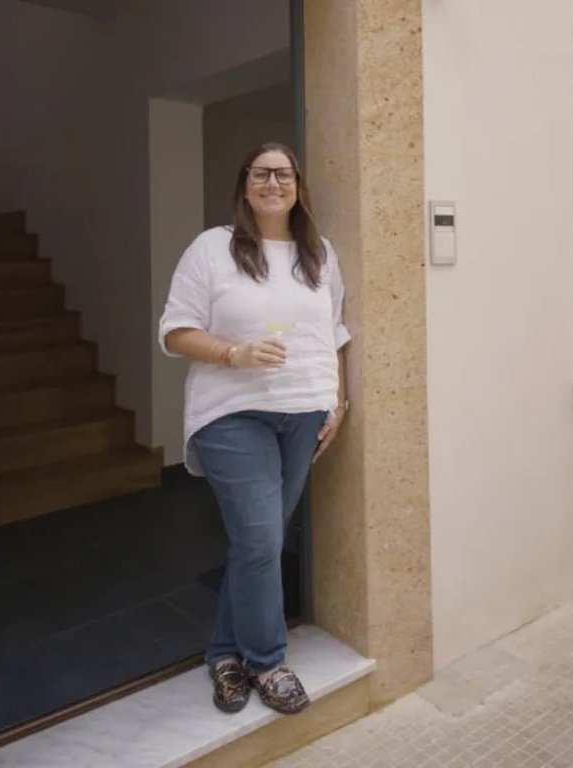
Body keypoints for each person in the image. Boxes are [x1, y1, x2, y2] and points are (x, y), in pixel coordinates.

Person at [159, 141, 349, 715]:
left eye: (283, 174)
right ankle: (267, 662)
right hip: (232, 412)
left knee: (255, 544)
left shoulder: (319, 254)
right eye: (260, 173)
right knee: (263, 540)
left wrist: (337, 401)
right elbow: (175, 331)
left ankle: (224, 653)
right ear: (244, 184)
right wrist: (232, 354)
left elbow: (334, 332)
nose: (273, 183)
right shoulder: (212, 248)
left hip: (305, 413)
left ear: (298, 185)